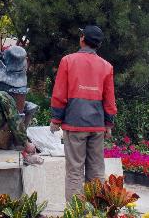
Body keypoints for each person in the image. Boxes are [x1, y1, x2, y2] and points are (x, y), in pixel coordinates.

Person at [49, 25, 117, 202]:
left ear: (82, 39)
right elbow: (109, 99)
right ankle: (96, 211)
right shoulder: (107, 66)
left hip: (74, 125)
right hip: (97, 127)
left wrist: (56, 119)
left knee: (74, 171)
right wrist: (108, 124)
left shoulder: (68, 61)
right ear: (98, 45)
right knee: (96, 171)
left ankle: (76, 212)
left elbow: (59, 94)